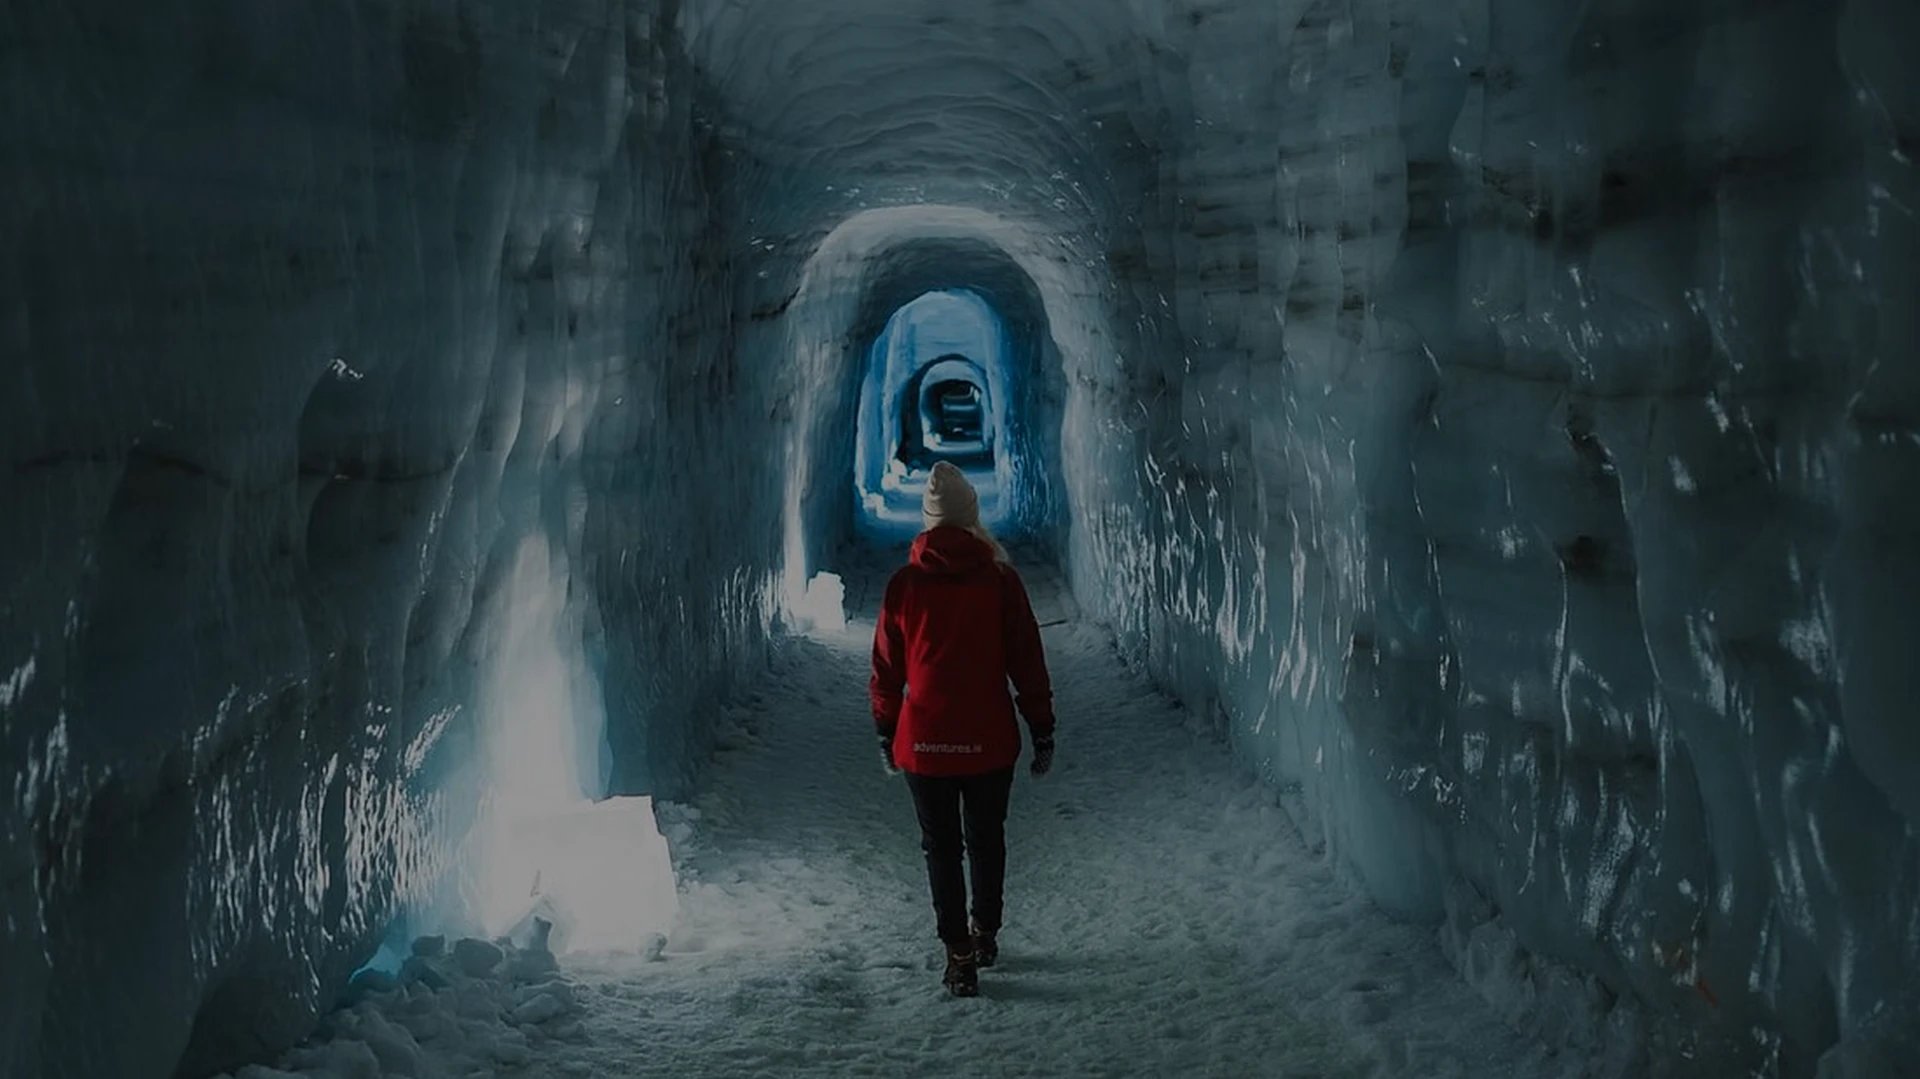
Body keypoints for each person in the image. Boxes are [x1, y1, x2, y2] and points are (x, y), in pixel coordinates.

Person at [869, 461, 1056, 998]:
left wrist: (886, 727)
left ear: (928, 522)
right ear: (972, 517)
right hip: (989, 740)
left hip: (924, 743)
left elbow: (886, 668)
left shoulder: (905, 585)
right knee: (986, 839)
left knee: (941, 848)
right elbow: (1026, 659)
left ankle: (958, 954)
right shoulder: (1001, 581)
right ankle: (985, 932)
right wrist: (1041, 726)